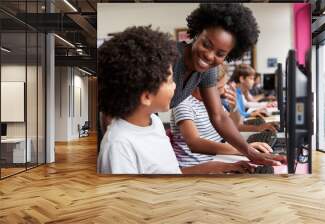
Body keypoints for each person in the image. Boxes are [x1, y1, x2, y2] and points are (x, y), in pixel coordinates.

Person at [97, 26, 255, 174]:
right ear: (146, 96)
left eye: (220, 54)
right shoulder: (119, 145)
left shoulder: (154, 122)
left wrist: (221, 166)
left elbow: (171, 173)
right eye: (170, 81)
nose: (176, 87)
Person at [170, 3, 284, 165]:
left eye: (220, 53)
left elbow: (219, 116)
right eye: (206, 44)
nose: (210, 56)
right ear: (198, 33)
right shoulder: (170, 57)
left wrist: (249, 151)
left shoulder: (208, 70)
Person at [170, 67, 281, 167]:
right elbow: (194, 143)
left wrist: (235, 108)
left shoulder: (210, 102)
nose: (223, 91)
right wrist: (241, 150)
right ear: (201, 85)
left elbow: (234, 126)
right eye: (219, 88)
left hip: (217, 159)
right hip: (197, 166)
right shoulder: (184, 103)